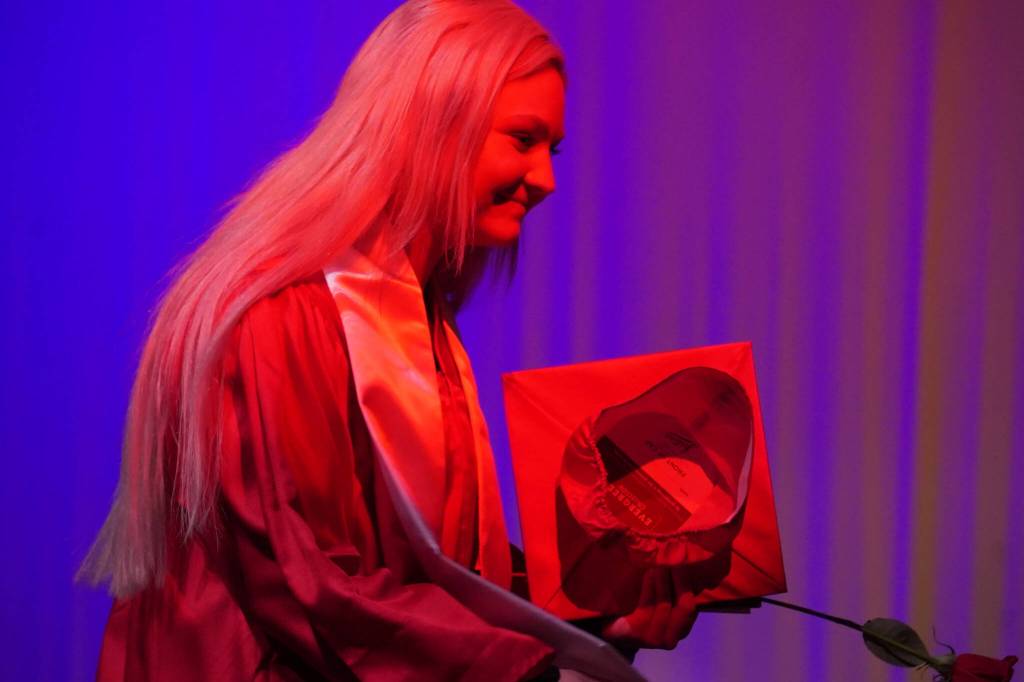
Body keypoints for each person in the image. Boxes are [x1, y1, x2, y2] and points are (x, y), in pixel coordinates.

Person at [79, 1, 695, 679]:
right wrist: (533, 668)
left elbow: (434, 577)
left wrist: (594, 619)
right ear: (433, 124)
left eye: (552, 149)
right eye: (523, 140)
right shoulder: (282, 319)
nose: (546, 180)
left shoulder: (419, 318)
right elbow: (312, 585)